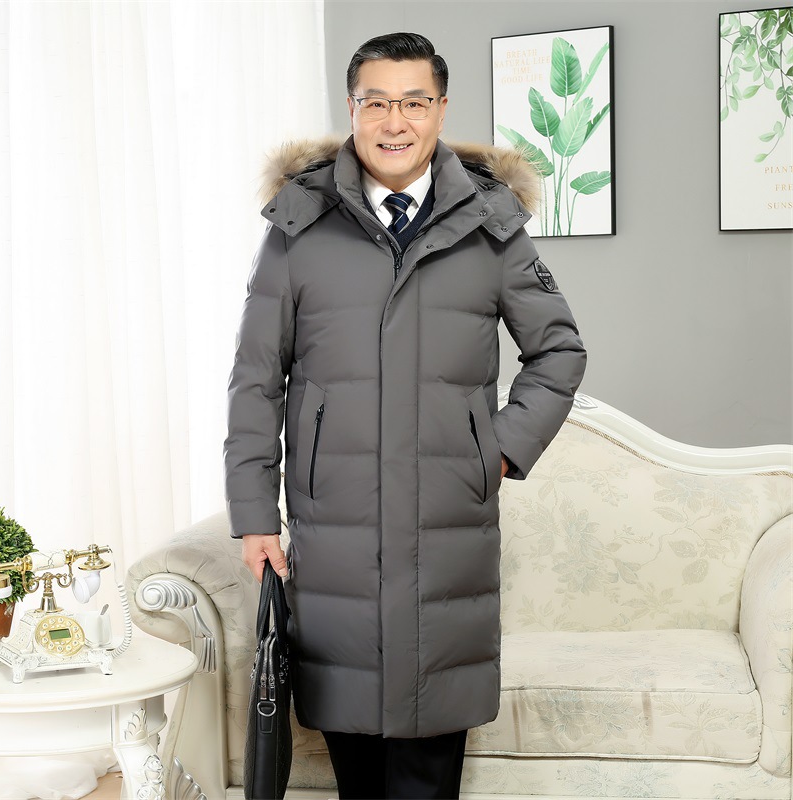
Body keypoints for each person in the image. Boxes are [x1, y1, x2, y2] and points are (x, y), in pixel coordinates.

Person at [225, 31, 586, 800]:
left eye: (414, 102)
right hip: (334, 530)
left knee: (430, 758)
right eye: (377, 102)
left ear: (441, 110)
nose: (396, 122)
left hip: (446, 527)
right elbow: (255, 379)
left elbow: (559, 350)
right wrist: (254, 516)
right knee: (353, 755)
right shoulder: (297, 227)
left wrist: (496, 450)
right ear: (352, 109)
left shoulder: (492, 227)